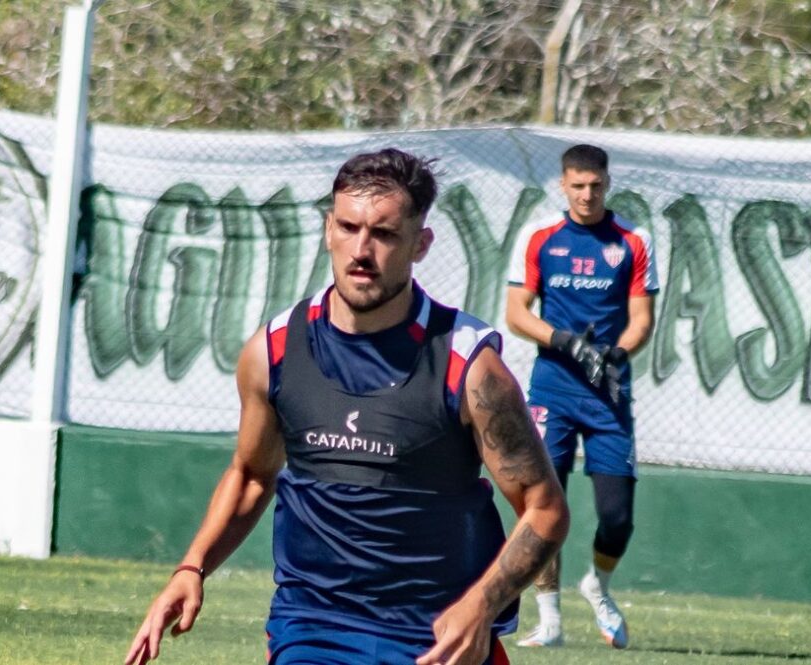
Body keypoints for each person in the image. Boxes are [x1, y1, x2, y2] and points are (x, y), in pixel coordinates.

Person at [124, 148, 570, 665]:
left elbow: (545, 508)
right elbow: (251, 475)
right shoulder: (274, 351)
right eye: (348, 226)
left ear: (420, 244)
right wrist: (192, 567)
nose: (361, 249)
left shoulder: (468, 366)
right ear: (327, 229)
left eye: (384, 234)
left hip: (438, 639)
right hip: (313, 629)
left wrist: (481, 605)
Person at [505, 144, 659, 650]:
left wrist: (615, 354)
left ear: (608, 184)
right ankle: (549, 619)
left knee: (617, 517)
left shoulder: (633, 240)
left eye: (595, 186)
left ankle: (598, 585)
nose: (587, 195)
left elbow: (641, 320)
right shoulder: (539, 236)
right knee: (542, 505)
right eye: (577, 186)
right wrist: (566, 342)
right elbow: (516, 312)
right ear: (563, 185)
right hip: (552, 390)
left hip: (608, 394)